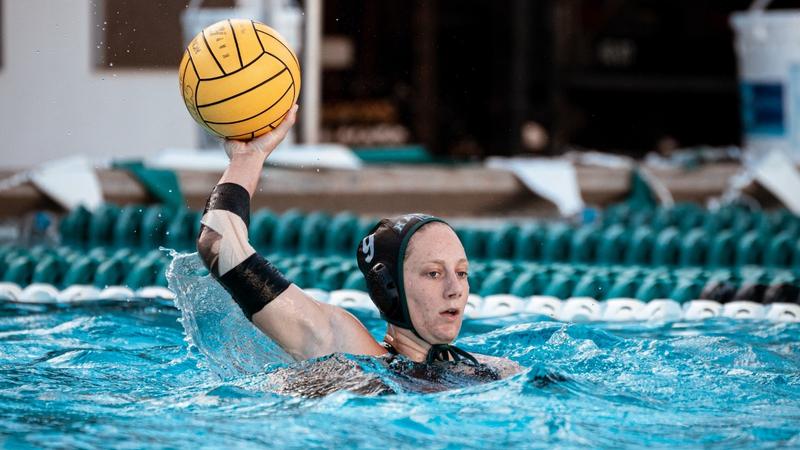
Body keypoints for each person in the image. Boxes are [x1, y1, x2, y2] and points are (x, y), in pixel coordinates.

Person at [196, 105, 520, 391]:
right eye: (433, 273)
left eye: (462, 273)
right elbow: (220, 245)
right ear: (389, 288)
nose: (455, 290)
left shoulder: (497, 371)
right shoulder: (347, 353)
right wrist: (248, 158)